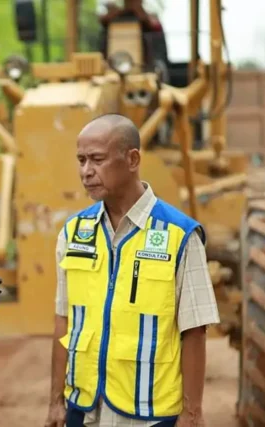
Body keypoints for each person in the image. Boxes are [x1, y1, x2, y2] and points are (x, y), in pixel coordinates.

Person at [45, 114, 220, 427]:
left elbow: (194, 330)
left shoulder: (179, 235)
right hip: (83, 410)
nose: (86, 172)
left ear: (132, 159)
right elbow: (64, 319)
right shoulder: (74, 232)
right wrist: (55, 402)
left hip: (150, 415)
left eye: (97, 159)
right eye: (81, 160)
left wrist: (192, 414)